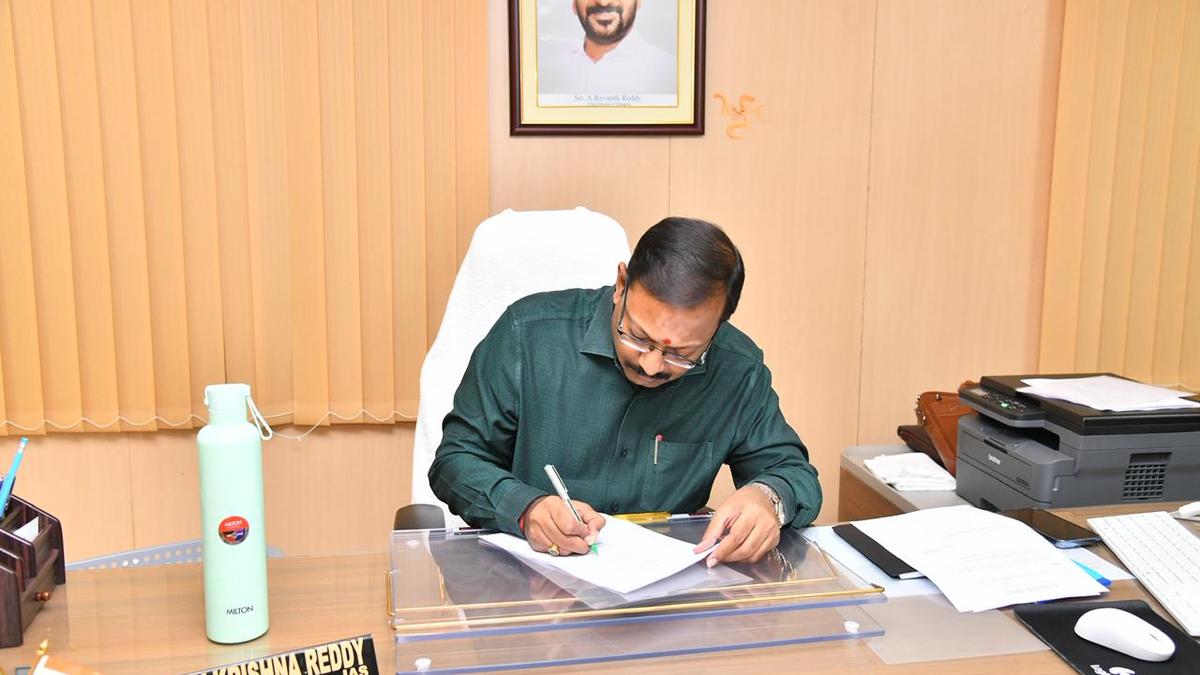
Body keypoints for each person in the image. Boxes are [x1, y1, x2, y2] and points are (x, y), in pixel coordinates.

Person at [429, 217, 822, 566]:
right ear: (621, 285)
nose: (652, 365)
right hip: (532, 585)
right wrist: (526, 509)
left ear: (719, 325)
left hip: (662, 596)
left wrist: (768, 498)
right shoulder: (527, 337)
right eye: (637, 337)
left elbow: (793, 473)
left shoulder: (737, 369)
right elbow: (455, 461)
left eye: (682, 354)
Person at [538, 0, 677, 97]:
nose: (603, 2)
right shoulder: (545, 76)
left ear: (638, 2)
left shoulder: (671, 75)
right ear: (574, 4)